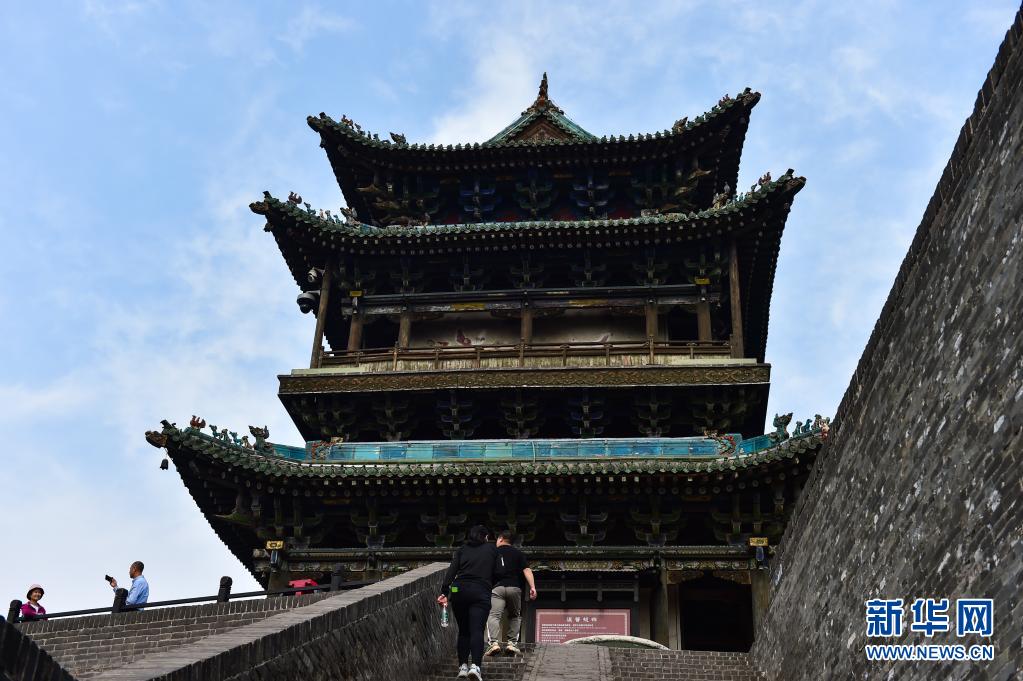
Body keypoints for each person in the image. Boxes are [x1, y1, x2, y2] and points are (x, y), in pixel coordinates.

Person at [437, 525, 498, 681]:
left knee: (464, 631)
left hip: (458, 590)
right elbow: (498, 572)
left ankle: (462, 667)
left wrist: (445, 592)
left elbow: (452, 571)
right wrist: (489, 583)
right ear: (485, 537)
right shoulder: (491, 549)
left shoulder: (462, 549)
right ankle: (475, 667)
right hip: (480, 590)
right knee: (477, 630)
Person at [484, 531, 536, 657]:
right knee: (515, 616)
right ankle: (512, 643)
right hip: (514, 587)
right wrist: (532, 587)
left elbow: (485, 571)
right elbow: (527, 570)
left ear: (501, 539)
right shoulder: (518, 553)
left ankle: (494, 643)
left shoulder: (493, 552)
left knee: (493, 615)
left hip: (497, 588)